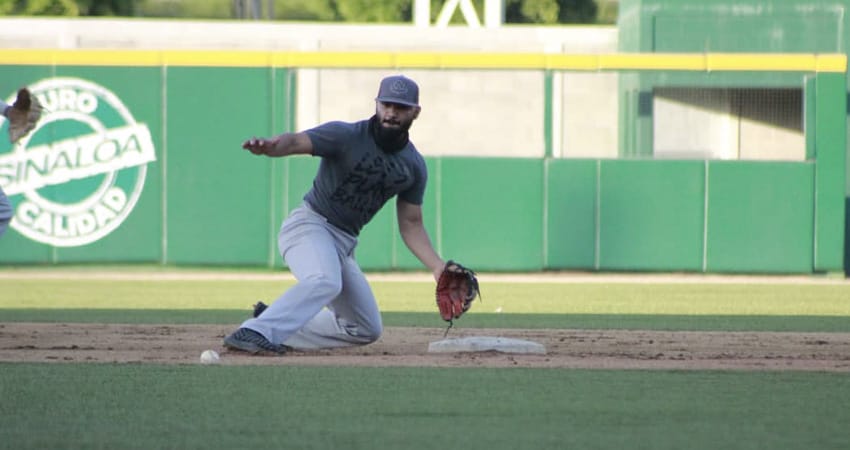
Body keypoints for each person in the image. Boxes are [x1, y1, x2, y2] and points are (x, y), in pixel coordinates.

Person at [223, 75, 447, 355]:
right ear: (376, 104)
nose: (391, 112)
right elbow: (294, 142)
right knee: (325, 280)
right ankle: (255, 331)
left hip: (343, 244)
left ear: (415, 111)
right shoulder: (347, 136)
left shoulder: (413, 166)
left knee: (365, 328)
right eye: (386, 104)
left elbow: (412, 224)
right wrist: (271, 147)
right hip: (310, 226)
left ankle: (272, 321)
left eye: (400, 107)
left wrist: (438, 267)